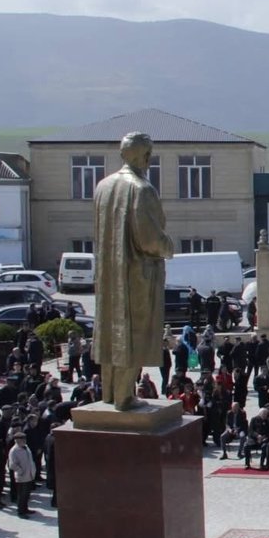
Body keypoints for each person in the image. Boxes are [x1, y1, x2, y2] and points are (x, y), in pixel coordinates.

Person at [92, 131, 176, 409]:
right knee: (133, 333)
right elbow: (149, 239)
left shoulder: (103, 186)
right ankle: (124, 397)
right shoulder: (142, 189)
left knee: (111, 332)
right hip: (136, 274)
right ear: (146, 156)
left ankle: (109, 394)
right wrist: (168, 246)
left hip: (109, 275)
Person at [7, 431, 37, 517]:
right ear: (17, 440)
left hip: (29, 474)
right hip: (22, 476)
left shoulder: (26, 447)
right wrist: (20, 471)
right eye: (23, 439)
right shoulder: (14, 451)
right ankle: (21, 512)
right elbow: (12, 465)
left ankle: (25, 508)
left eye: (25, 439)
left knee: (27, 494)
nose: (25, 441)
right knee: (21, 495)